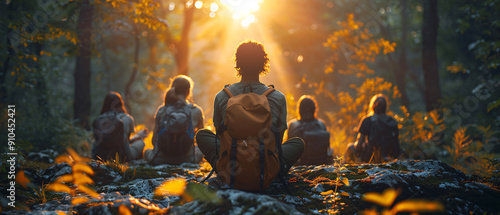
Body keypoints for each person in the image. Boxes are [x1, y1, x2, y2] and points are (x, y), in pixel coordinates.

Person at [196, 40, 304, 190]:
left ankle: (223, 170)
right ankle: (274, 171)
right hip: (266, 169)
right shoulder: (277, 97)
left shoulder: (222, 96)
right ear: (263, 64)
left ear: (238, 63)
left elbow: (220, 137)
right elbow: (278, 138)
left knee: (202, 134)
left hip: (231, 169)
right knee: (298, 143)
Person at [144, 75, 205, 165]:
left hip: (159, 159)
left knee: (146, 152)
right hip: (188, 159)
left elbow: (154, 141)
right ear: (188, 91)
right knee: (200, 151)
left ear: (172, 89)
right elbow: (202, 140)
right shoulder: (196, 111)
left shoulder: (162, 110)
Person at [92, 92, 148, 163]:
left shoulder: (99, 119)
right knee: (141, 143)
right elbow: (126, 140)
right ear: (121, 103)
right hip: (122, 157)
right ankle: (136, 162)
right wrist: (139, 136)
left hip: (100, 156)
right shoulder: (127, 118)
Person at [345, 94, 400, 163]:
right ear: (385, 107)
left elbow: (358, 145)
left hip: (371, 156)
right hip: (390, 157)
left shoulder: (367, 120)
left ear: (372, 106)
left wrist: (361, 145)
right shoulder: (392, 121)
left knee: (350, 146)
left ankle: (347, 169)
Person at [285, 95, 332, 165]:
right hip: (321, 165)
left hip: (300, 166)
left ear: (299, 110)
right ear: (314, 110)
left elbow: (288, 152)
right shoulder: (321, 124)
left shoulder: (293, 125)